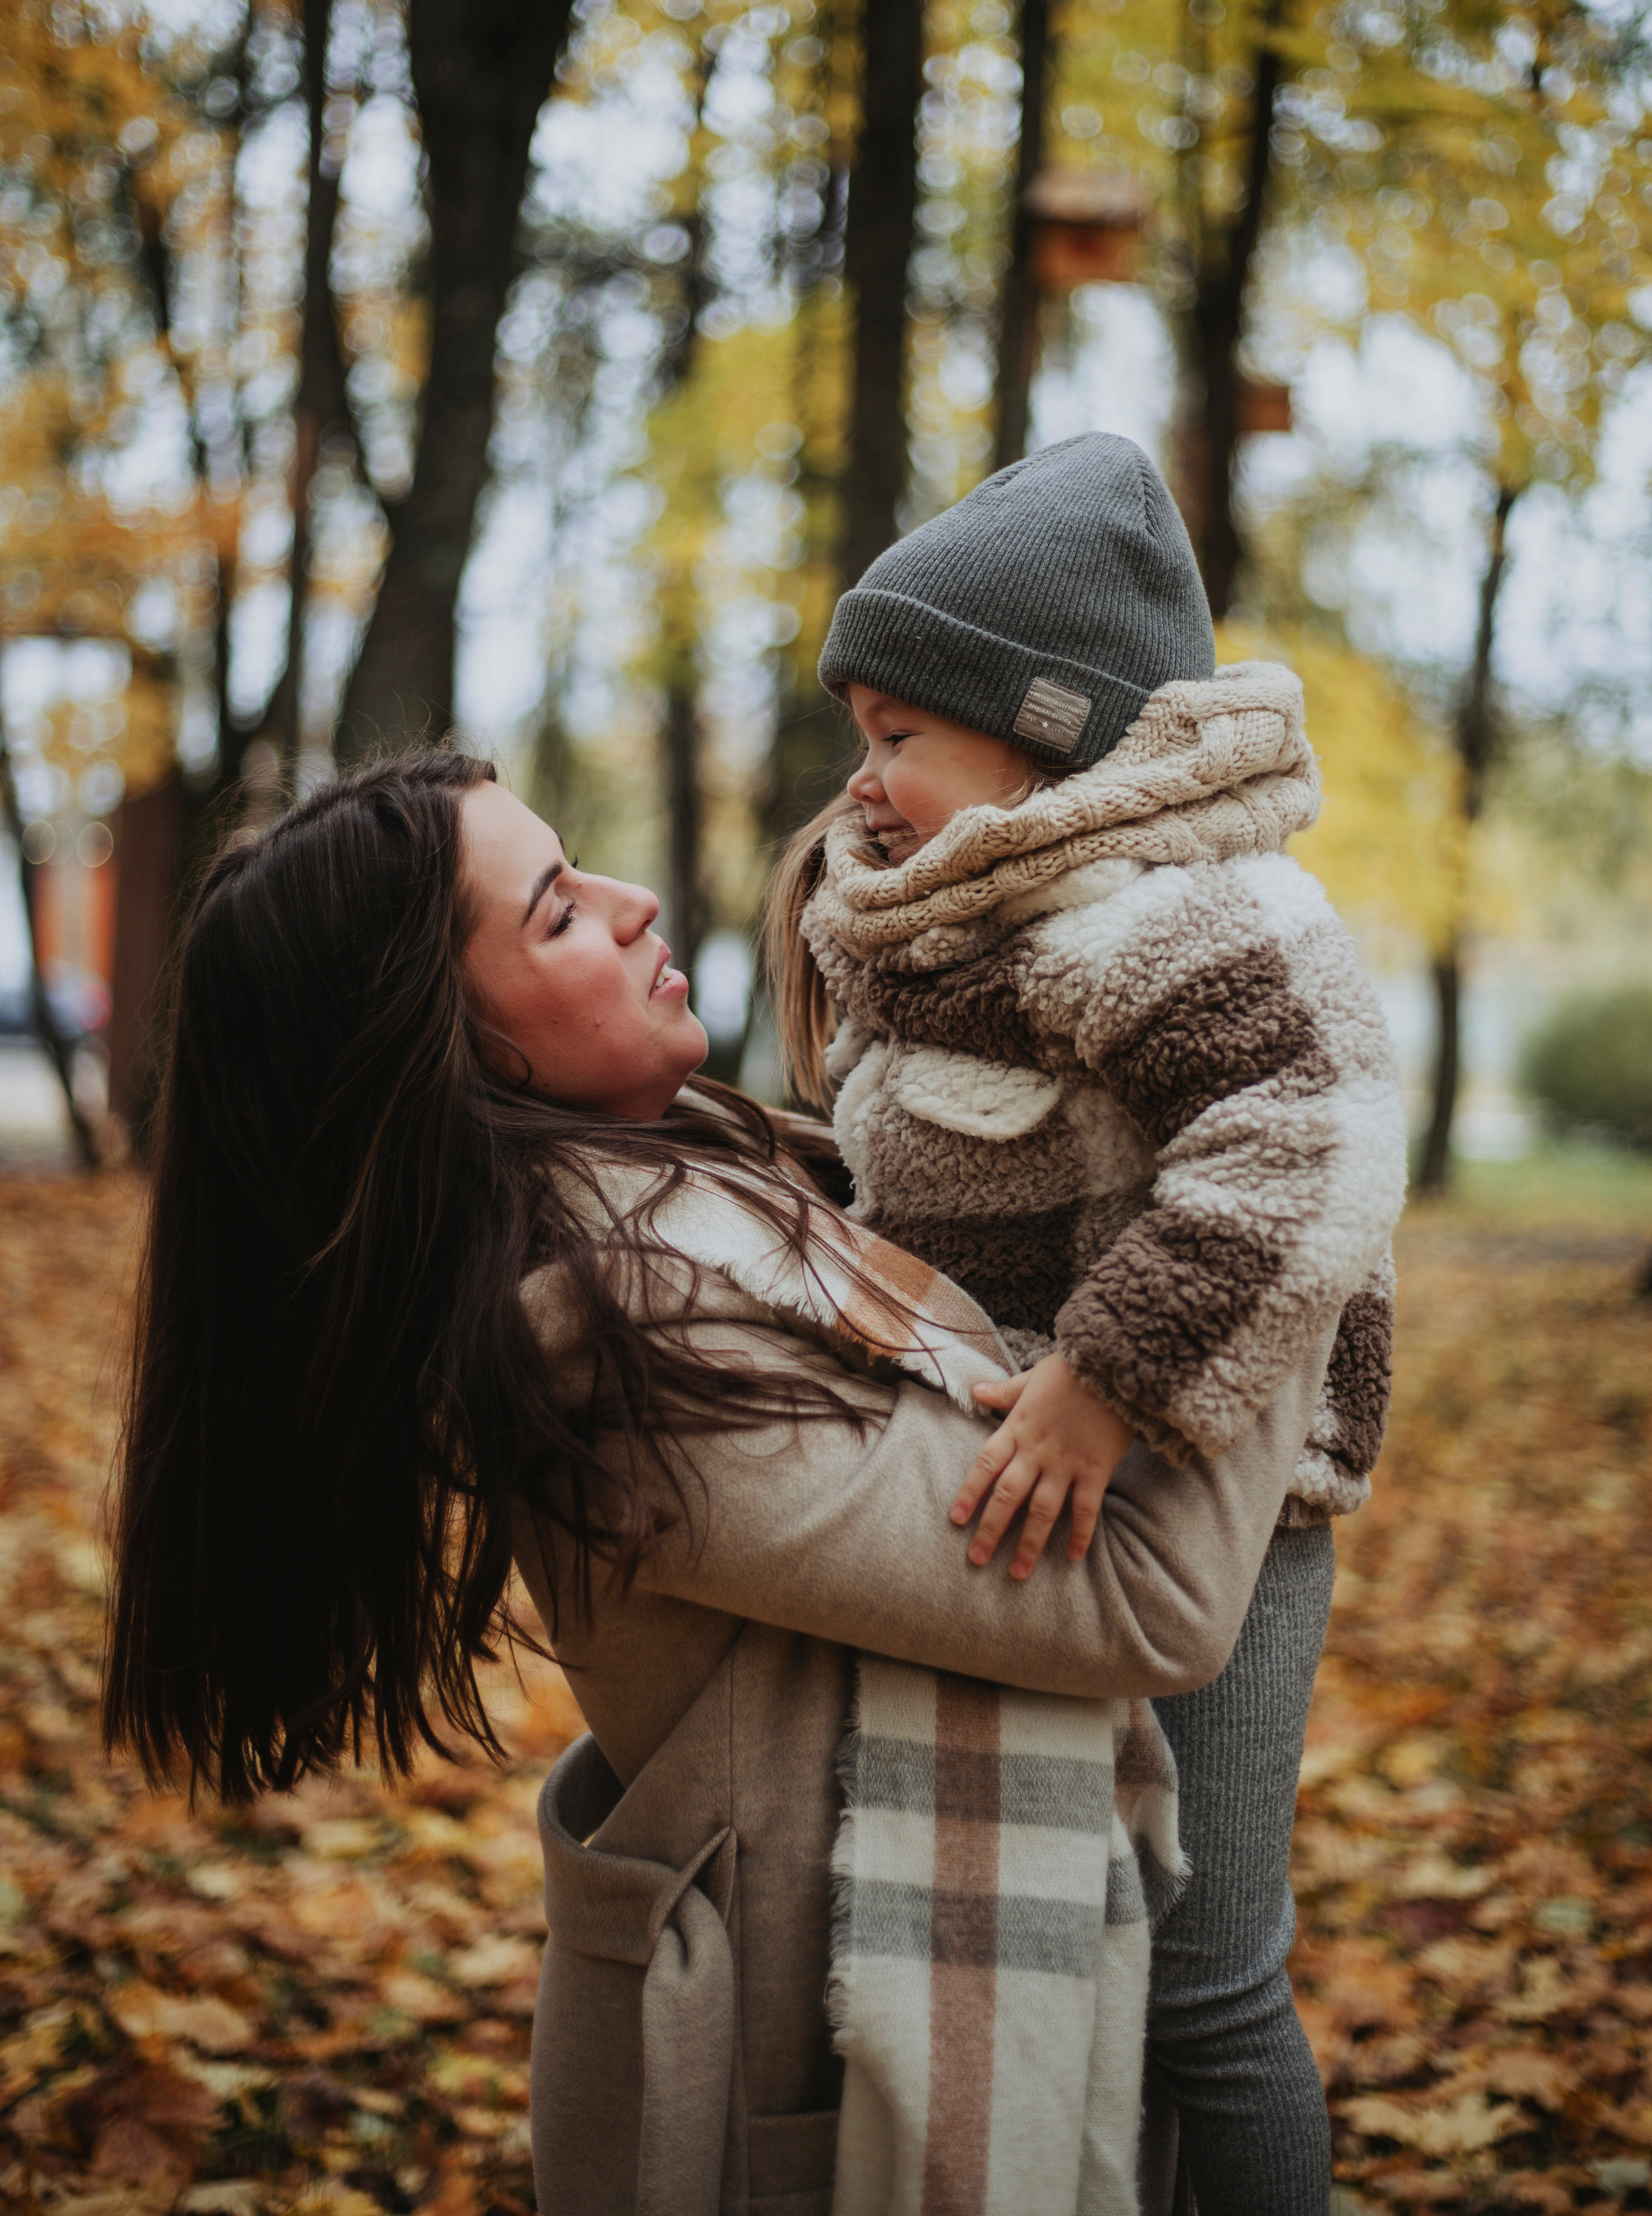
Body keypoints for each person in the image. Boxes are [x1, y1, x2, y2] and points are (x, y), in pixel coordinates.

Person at [103, 750, 1342, 2216]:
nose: (632, 902)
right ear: (456, 1048)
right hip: (826, 2088)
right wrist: (1283, 1194)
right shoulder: (614, 1343)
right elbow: (1142, 1595)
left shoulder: (707, 1181)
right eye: (558, 913)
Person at [769, 432, 1408, 2216]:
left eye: (898, 734)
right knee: (1072, 1947)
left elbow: (1311, 1136)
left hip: (1219, 1510)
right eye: (859, 736)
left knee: (1204, 1975)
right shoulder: (961, 923)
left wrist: (1110, 1378)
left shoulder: (1183, 913)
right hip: (1041, 1500)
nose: (863, 783)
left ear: (1043, 728)